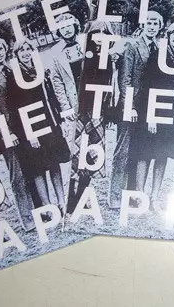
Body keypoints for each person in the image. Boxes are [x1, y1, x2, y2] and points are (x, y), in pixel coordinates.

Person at [133, 21, 174, 211]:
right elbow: (148, 85)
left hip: (173, 113)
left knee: (162, 155)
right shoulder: (157, 55)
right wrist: (151, 115)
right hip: (154, 110)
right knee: (145, 154)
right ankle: (139, 196)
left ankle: (154, 197)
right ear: (168, 36)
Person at [7, 38, 71, 213]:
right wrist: (30, 134)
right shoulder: (14, 77)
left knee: (55, 164)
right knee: (38, 169)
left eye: (28, 49)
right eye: (22, 50)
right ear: (16, 54)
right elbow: (17, 108)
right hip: (32, 128)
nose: (26, 53)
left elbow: (51, 97)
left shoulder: (40, 70)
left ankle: (61, 201)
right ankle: (48, 207)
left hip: (49, 123)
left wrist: (59, 121)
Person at [0, 37, 36, 231]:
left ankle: (37, 211)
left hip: (22, 127)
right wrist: (8, 133)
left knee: (29, 170)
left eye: (1, 48)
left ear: (6, 50)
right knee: (17, 176)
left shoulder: (12, 69)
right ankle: (27, 220)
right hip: (7, 133)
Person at [109, 10, 162, 207]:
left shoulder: (158, 48)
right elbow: (125, 79)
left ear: (160, 27)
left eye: (155, 23)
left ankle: (131, 195)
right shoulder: (131, 45)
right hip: (130, 106)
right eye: (149, 23)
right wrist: (129, 106)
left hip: (146, 107)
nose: (152, 26)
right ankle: (115, 197)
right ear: (143, 25)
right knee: (122, 152)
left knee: (138, 152)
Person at [66, 21, 117, 213]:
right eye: (96, 32)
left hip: (98, 113)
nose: (100, 36)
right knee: (76, 154)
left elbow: (109, 89)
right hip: (81, 112)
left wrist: (107, 111)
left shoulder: (109, 58)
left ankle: (81, 196)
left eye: (105, 33)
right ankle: (71, 199)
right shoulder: (81, 56)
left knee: (92, 155)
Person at [47, 13, 84, 145]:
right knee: (78, 143)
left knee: (97, 139)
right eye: (62, 27)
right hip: (73, 102)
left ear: (75, 26)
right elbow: (57, 83)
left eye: (69, 26)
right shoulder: (55, 51)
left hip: (91, 98)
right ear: (58, 31)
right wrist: (66, 107)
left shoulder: (85, 42)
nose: (67, 30)